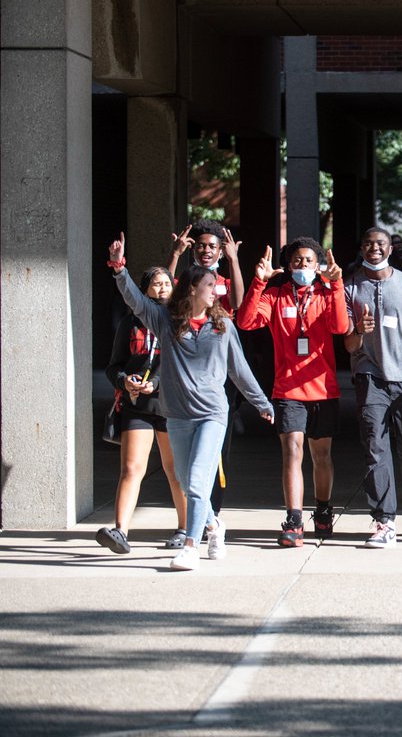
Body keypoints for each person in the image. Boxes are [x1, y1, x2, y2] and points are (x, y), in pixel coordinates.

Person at [106, 234, 273, 571]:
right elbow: (137, 302)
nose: (216, 289)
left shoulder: (222, 324)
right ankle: (213, 526)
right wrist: (119, 268)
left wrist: (262, 403)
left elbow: (239, 370)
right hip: (177, 415)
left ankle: (190, 546)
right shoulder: (167, 321)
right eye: (211, 284)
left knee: (197, 480)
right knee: (185, 479)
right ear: (194, 289)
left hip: (212, 413)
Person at [237, 238, 348, 547]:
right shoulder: (276, 295)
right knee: (292, 453)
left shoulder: (327, 293)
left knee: (322, 456)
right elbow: (245, 322)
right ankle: (294, 520)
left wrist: (337, 286)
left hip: (323, 389)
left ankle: (323, 511)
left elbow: (340, 327)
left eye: (309, 261)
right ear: (287, 265)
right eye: (297, 261)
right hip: (288, 389)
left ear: (318, 266)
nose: (302, 266)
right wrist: (258, 283)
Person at [344, 227, 402, 548]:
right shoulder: (350, 287)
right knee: (375, 448)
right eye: (368, 243)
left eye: (380, 243)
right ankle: (384, 520)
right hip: (370, 376)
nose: (374, 248)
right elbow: (347, 343)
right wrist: (359, 329)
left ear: (390, 248)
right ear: (362, 247)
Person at [95, 267, 188, 554]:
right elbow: (114, 366)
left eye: (166, 284)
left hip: (170, 405)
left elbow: (185, 365)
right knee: (131, 468)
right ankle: (120, 531)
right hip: (138, 406)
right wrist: (125, 381)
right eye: (155, 284)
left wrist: (157, 382)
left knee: (176, 471)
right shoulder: (131, 323)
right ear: (143, 291)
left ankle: (186, 529)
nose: (162, 288)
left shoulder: (179, 322)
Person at [166, 218, 246, 519]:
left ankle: (213, 514)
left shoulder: (224, 283)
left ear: (220, 251)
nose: (206, 251)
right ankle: (198, 520)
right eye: (200, 246)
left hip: (217, 375)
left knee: (215, 453)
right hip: (185, 373)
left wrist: (235, 261)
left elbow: (238, 302)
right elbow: (165, 296)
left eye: (212, 247)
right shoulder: (185, 283)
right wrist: (174, 255)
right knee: (187, 460)